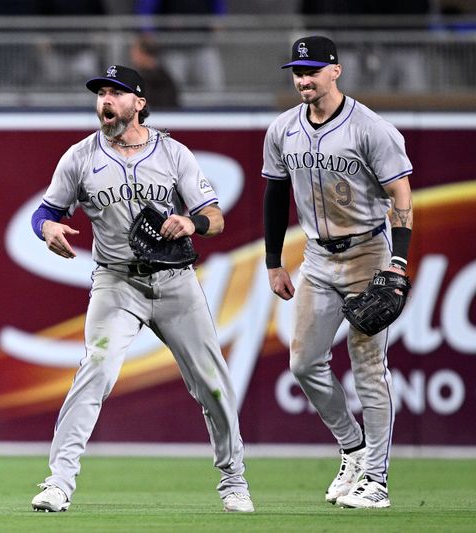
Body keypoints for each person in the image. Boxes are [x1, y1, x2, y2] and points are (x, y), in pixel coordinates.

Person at [29, 65, 254, 513]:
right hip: (116, 281)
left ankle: (234, 481)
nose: (105, 101)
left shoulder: (173, 153)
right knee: (95, 369)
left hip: (175, 282)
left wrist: (191, 221)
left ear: (139, 103)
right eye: (100, 93)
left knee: (212, 383)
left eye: (115, 93)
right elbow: (44, 212)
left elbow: (215, 217)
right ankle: (58, 482)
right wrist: (48, 228)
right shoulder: (79, 156)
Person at [261, 36, 414, 509]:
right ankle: (353, 447)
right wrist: (272, 261)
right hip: (318, 258)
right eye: (296, 71)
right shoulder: (283, 129)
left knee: (368, 367)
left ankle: (376, 481)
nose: (303, 79)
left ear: (336, 71)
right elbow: (275, 196)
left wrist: (399, 261)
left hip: (369, 251)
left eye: (311, 70)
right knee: (304, 363)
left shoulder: (372, 128)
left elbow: (402, 196)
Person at [129, 34, 180, 109]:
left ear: (144, 54)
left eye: (135, 53)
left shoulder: (162, 80)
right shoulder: (141, 77)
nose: (133, 57)